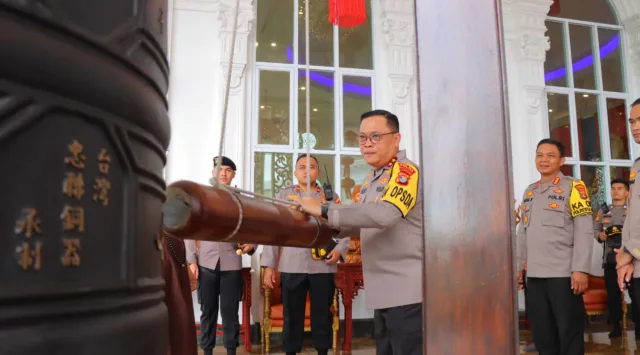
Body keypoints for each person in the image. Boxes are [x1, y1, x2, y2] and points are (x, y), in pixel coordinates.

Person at [297, 110, 423, 355]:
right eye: (362, 138)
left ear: (396, 139)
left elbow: (384, 214)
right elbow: (363, 221)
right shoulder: (372, 179)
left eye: (375, 136)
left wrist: (324, 208)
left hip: (406, 292)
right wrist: (320, 220)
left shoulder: (405, 172)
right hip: (383, 291)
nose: (367, 143)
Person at [261, 155, 348, 355]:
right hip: (292, 264)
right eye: (301, 167)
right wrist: (268, 266)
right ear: (295, 172)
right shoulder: (284, 196)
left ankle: (323, 351)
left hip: (323, 265)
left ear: (317, 172)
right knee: (292, 315)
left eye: (311, 167)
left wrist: (339, 250)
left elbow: (343, 226)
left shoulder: (329, 196)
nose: (306, 170)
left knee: (322, 315)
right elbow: (274, 230)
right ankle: (290, 351)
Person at [516, 138, 594, 355]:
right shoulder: (529, 192)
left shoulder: (574, 187)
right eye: (539, 155)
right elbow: (522, 232)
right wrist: (519, 266)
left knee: (569, 333)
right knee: (543, 336)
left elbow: (584, 230)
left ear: (562, 160)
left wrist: (580, 269)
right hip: (535, 276)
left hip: (564, 275)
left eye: (550, 155)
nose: (544, 160)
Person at [185, 156, 256, 355]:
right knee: (208, 312)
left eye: (228, 170)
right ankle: (207, 350)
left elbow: (254, 228)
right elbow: (191, 229)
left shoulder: (242, 200)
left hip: (231, 263)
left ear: (234, 174)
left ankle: (231, 350)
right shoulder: (202, 197)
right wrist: (191, 261)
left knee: (230, 312)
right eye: (219, 169)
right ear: (213, 173)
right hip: (206, 262)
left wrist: (252, 244)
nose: (223, 173)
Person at [615, 99, 640, 340]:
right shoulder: (637, 166)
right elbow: (632, 215)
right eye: (632, 121)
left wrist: (630, 251)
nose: (635, 126)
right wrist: (627, 256)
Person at [593, 178, 629, 338]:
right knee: (613, 295)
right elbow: (595, 229)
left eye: (620, 188)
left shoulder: (634, 210)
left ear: (627, 192)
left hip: (631, 259)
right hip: (610, 259)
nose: (615, 191)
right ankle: (616, 327)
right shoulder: (603, 211)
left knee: (636, 293)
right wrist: (599, 235)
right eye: (613, 188)